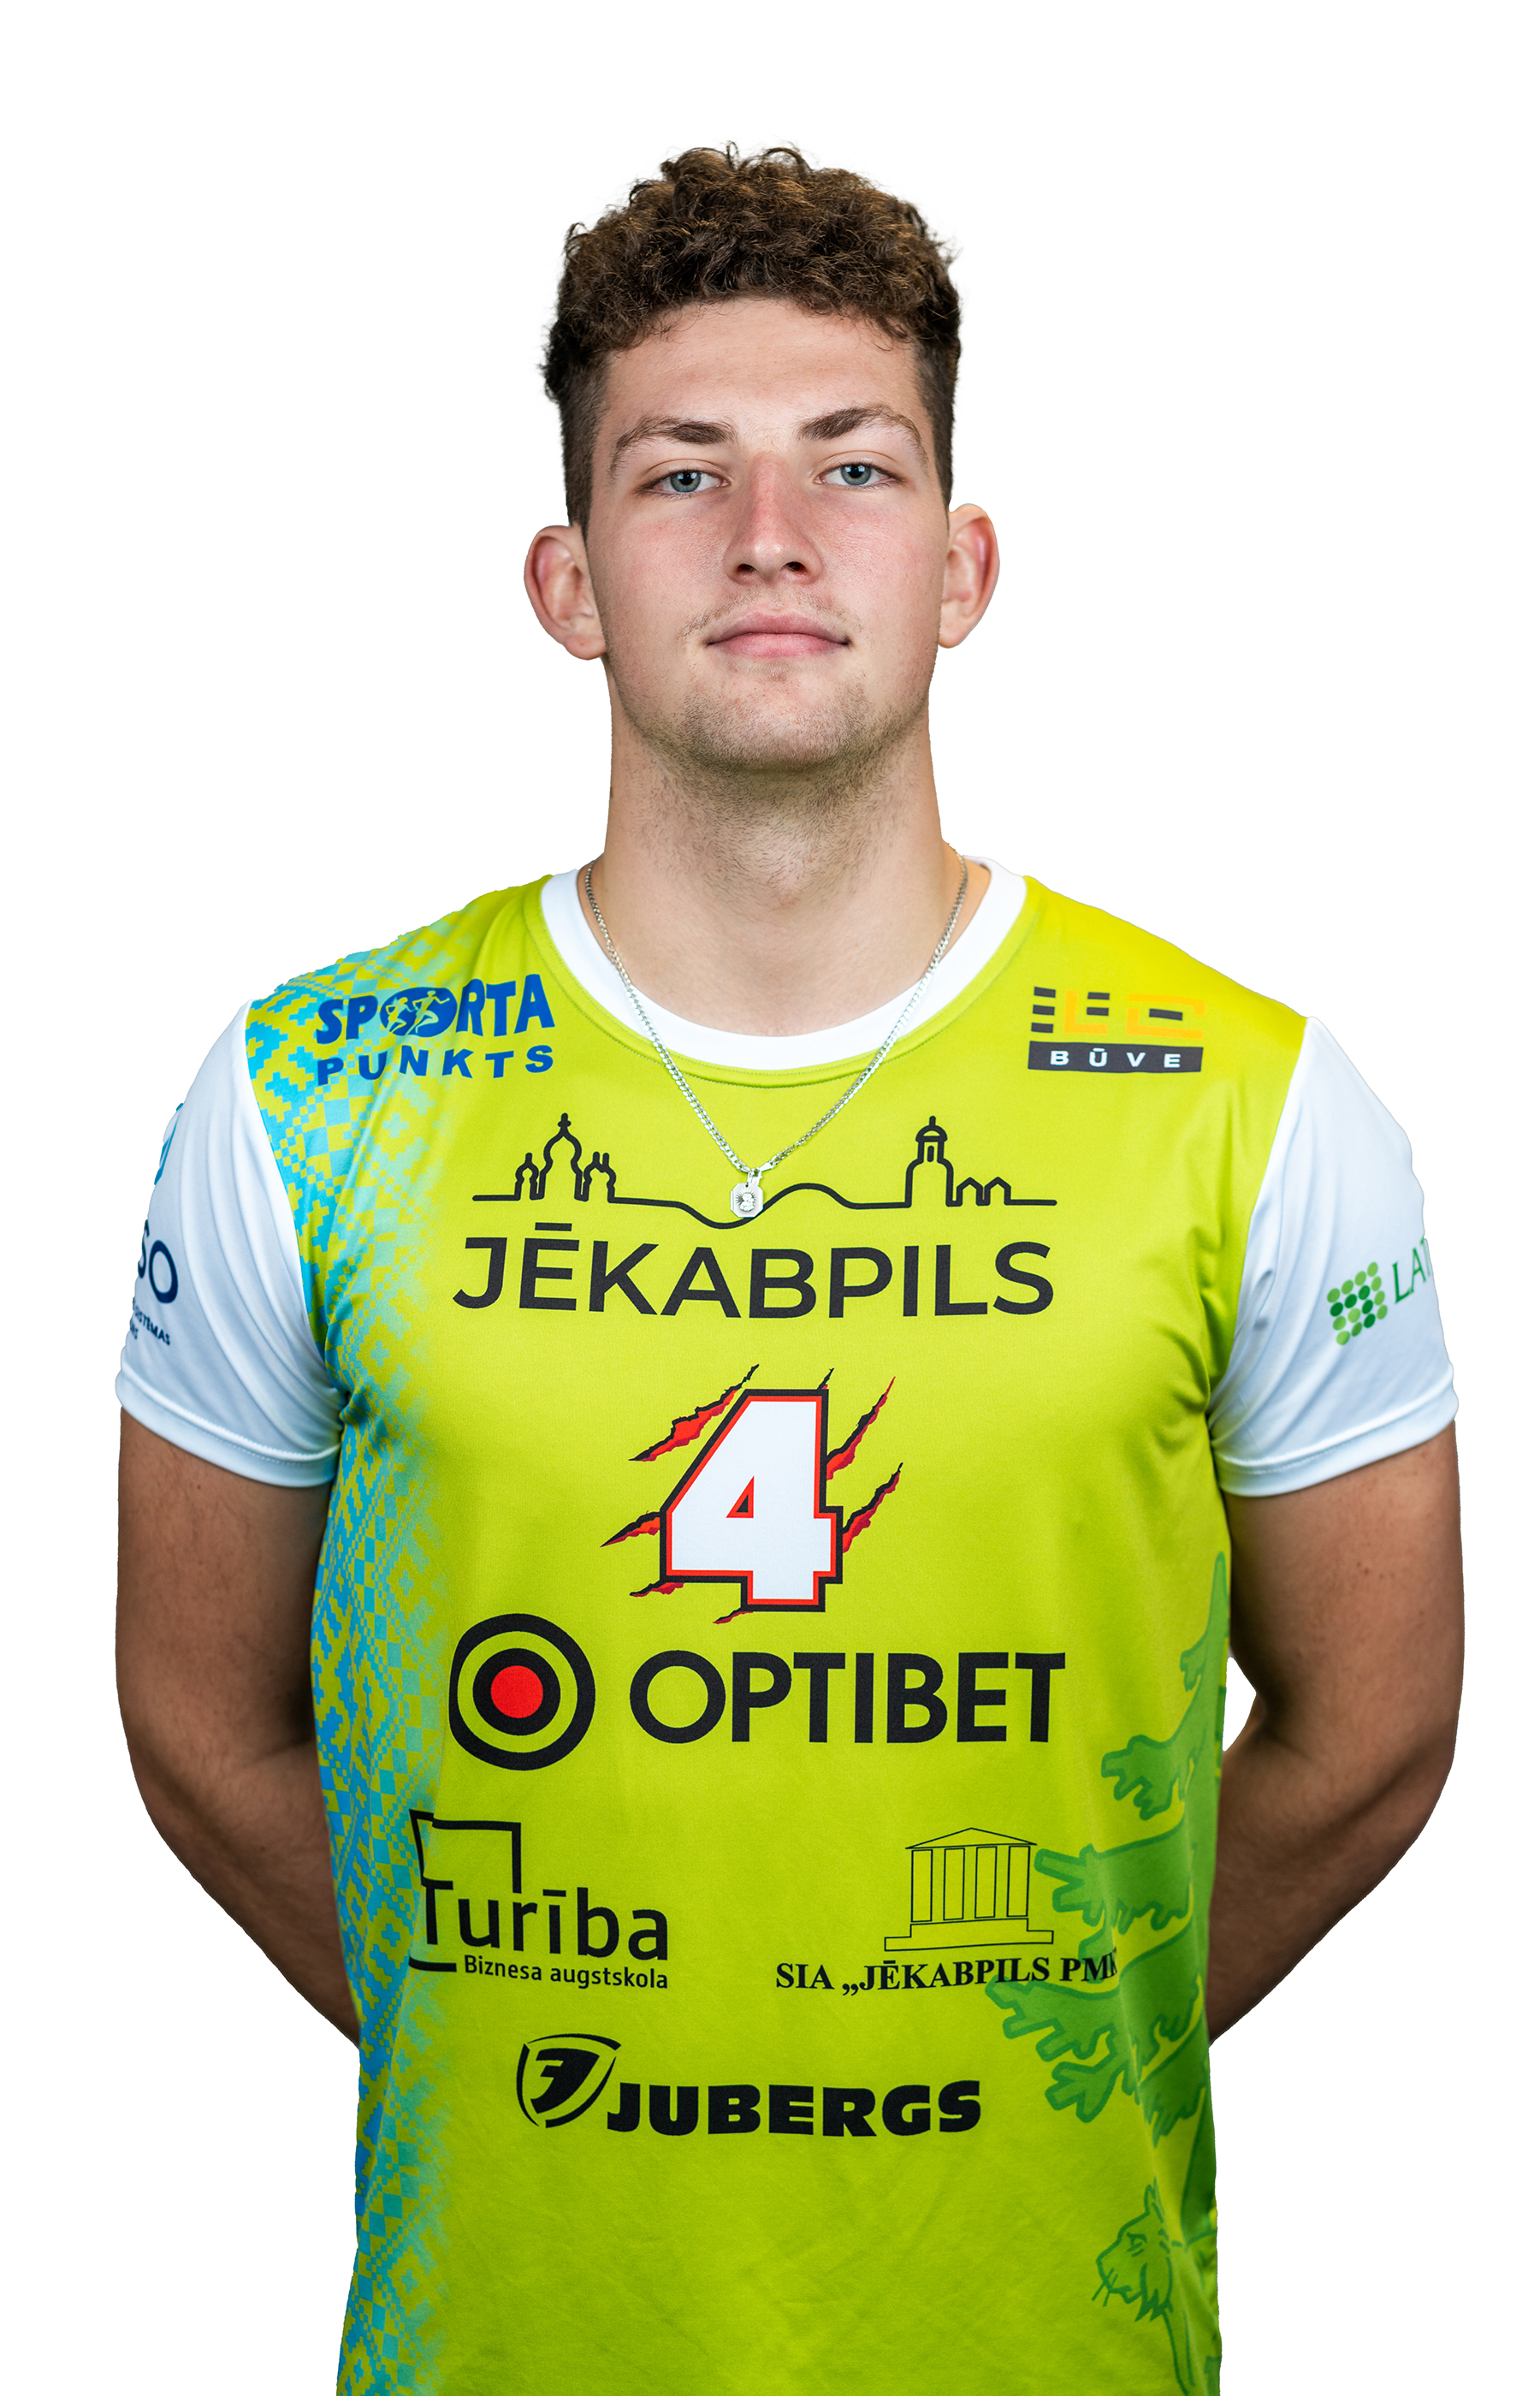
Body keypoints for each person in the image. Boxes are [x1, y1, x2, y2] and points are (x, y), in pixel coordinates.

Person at [116, 145, 1461, 2394]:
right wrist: (490, 2043)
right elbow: (196, 1718)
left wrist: (1061, 2033)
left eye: (854, 464)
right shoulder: (312, 1094)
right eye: (680, 473)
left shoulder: (1250, 1102)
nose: (769, 535)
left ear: (963, 564)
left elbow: (1378, 1726)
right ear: (566, 581)